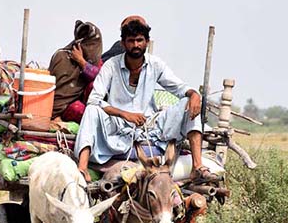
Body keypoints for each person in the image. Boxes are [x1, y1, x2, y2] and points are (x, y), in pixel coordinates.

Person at [74, 17, 219, 183]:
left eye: (139, 40)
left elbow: (180, 88)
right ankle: (82, 168)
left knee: (189, 102)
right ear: (123, 43)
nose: (135, 45)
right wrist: (125, 114)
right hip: (117, 126)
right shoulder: (111, 65)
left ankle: (197, 167)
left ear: (146, 42)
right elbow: (94, 99)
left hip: (149, 126)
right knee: (92, 110)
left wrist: (194, 94)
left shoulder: (156, 65)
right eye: (131, 41)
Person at [48, 20, 103, 123]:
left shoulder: (98, 64)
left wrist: (82, 62)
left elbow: (101, 79)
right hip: (56, 108)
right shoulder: (62, 56)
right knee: (77, 109)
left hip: (82, 106)